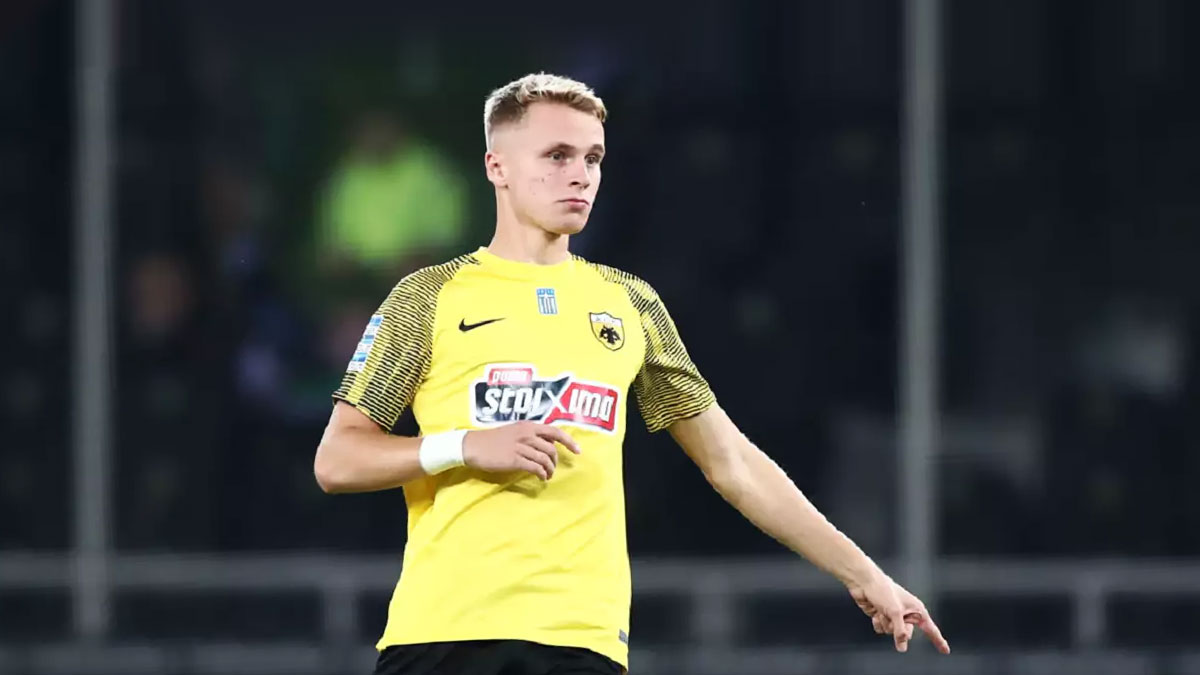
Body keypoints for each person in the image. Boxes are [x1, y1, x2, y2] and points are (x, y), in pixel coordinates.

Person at [314, 72, 950, 675]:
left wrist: (864, 574)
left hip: (581, 639)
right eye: (557, 155)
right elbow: (338, 461)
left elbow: (732, 462)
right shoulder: (430, 297)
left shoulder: (629, 304)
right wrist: (464, 446)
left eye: (593, 158)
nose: (581, 175)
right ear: (496, 167)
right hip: (445, 634)